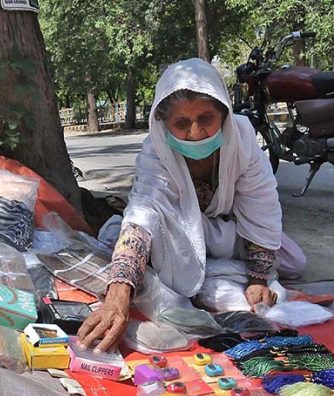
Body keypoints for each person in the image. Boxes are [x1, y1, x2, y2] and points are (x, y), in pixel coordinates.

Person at [77, 58, 306, 352]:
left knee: (293, 262)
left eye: (206, 119)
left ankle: (209, 269)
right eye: (182, 123)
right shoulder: (156, 152)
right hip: (181, 230)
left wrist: (258, 279)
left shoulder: (243, 139)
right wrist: (117, 298)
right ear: (164, 124)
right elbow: (143, 216)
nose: (195, 133)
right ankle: (198, 269)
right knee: (157, 256)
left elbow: (261, 206)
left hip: (231, 228)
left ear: (224, 114)